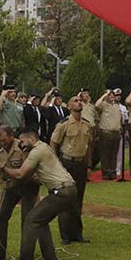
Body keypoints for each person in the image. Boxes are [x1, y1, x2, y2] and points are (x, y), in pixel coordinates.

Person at [4, 128, 77, 260]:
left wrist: (3, 168)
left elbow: (20, 174)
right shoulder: (44, 147)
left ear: (32, 139)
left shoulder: (37, 152)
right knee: (40, 221)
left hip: (61, 191)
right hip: (69, 189)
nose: (21, 145)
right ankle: (50, 258)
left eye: (23, 141)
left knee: (31, 220)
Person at [0, 124, 39, 260]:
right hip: (10, 186)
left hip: (28, 184)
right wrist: (6, 179)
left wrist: (11, 173)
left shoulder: (23, 146)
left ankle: (26, 256)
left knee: (28, 220)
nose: (2, 143)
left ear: (12, 136)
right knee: (0, 218)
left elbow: (29, 169)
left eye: (5, 140)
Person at [50, 96, 92, 243]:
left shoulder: (86, 124)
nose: (79, 102)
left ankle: (77, 233)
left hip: (81, 164)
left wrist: (88, 165)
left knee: (78, 199)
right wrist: (56, 165)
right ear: (68, 106)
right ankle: (65, 235)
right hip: (67, 162)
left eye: (80, 101)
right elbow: (54, 143)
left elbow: (88, 147)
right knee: (66, 198)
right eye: (75, 100)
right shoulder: (64, 124)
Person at [95, 88, 126, 180]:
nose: (112, 96)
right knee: (105, 154)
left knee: (113, 154)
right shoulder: (103, 105)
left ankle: (113, 172)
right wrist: (105, 95)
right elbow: (96, 105)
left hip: (116, 132)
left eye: (112, 94)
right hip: (106, 132)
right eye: (109, 95)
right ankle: (105, 173)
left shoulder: (116, 106)